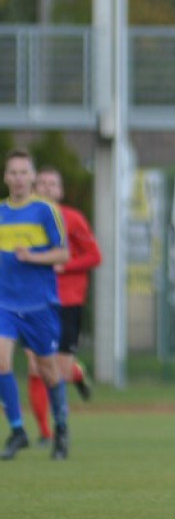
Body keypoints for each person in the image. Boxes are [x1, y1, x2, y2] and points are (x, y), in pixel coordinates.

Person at [23, 166, 102, 447]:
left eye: (52, 184)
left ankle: (76, 374)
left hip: (67, 301)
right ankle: (48, 432)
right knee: (36, 367)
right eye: (41, 183)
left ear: (60, 191)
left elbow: (94, 256)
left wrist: (63, 266)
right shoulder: (24, 221)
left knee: (59, 372)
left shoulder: (73, 219)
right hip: (33, 302)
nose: (46, 188)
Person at [0, 150, 71, 460]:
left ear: (32, 177)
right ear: (5, 178)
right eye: (12, 172)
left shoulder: (45, 211)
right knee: (1, 362)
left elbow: (63, 254)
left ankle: (62, 429)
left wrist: (33, 257)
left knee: (48, 371)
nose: (17, 178)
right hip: (4, 304)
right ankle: (17, 431)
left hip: (39, 305)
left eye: (23, 172)